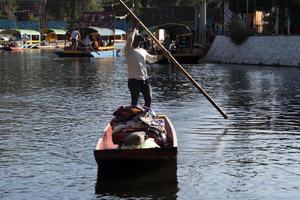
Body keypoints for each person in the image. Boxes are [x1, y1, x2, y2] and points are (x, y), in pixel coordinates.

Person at [124, 24, 164, 108]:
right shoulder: (128, 50)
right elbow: (130, 39)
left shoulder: (142, 50)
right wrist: (134, 29)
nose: (138, 41)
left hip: (145, 79)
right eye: (137, 39)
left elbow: (151, 59)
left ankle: (146, 114)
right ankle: (133, 117)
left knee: (149, 98)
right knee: (134, 101)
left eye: (139, 40)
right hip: (134, 80)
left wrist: (162, 56)